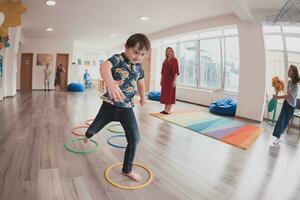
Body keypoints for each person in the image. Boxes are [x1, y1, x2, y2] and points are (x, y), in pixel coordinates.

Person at [83, 33, 151, 181]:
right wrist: (110, 82)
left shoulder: (139, 67)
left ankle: (127, 169)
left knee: (135, 139)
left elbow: (140, 83)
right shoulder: (117, 59)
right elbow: (104, 67)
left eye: (143, 54)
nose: (138, 57)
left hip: (127, 108)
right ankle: (88, 134)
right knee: (94, 128)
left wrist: (144, 97)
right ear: (126, 47)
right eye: (135, 52)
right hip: (109, 106)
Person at [272, 65, 300, 145]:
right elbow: (287, 95)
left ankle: (279, 137)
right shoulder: (289, 82)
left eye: (290, 70)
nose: (288, 71)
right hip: (286, 103)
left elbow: (289, 96)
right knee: (281, 120)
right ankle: (277, 137)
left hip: (291, 107)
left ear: (293, 73)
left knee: (284, 123)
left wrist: (277, 97)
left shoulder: (296, 86)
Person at [160, 47, 179, 114]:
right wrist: (161, 80)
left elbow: (176, 72)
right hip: (165, 80)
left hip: (171, 80)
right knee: (165, 95)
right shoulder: (165, 61)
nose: (168, 52)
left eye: (170, 51)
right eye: (167, 51)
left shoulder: (175, 60)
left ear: (172, 52)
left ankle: (168, 110)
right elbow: (162, 72)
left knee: (170, 95)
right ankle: (165, 109)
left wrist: (174, 81)